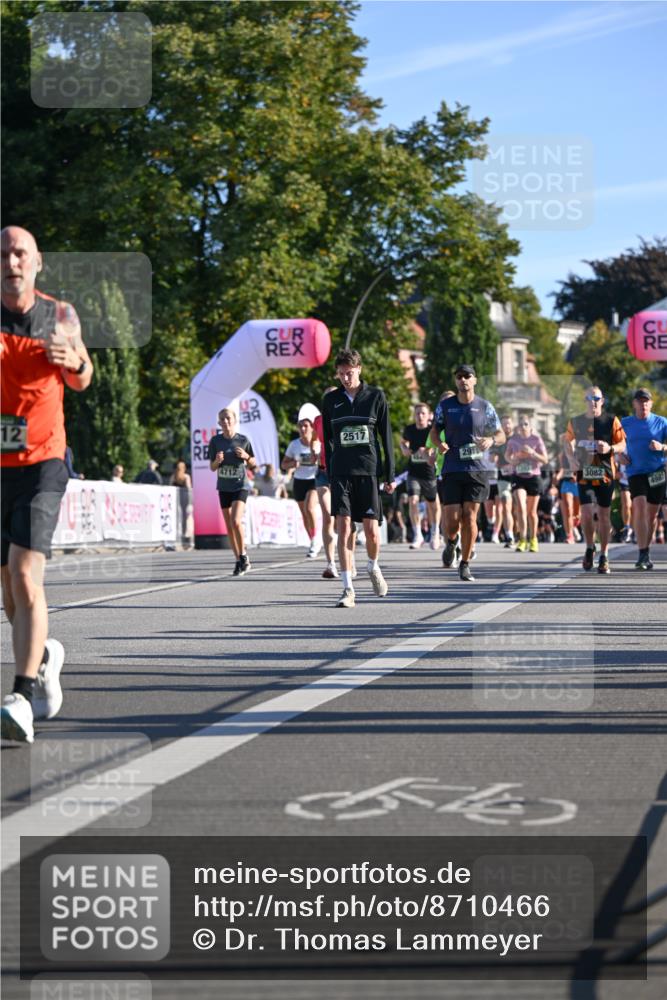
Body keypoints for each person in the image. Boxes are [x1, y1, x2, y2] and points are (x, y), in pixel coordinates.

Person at [1, 225, 93, 743]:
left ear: (37, 264)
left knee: (23, 572)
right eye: (3, 255)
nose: (11, 262)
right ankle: (44, 658)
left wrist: (73, 360)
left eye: (20, 254)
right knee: (10, 595)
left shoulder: (60, 315)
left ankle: (18, 697)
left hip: (44, 460)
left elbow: (85, 375)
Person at [321, 348, 395, 608]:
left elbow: (386, 437)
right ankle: (347, 589)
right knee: (343, 528)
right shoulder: (331, 401)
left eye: (349, 373)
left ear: (359, 370)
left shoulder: (376, 396)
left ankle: (373, 566)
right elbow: (327, 441)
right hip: (341, 472)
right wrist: (330, 472)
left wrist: (390, 474)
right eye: (341, 374)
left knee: (372, 532)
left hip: (369, 471)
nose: (345, 378)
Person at [431, 364, 505, 582]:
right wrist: (439, 443)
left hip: (477, 470)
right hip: (453, 468)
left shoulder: (485, 407)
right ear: (456, 381)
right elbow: (434, 431)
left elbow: (501, 434)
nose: (463, 380)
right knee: (452, 519)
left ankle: (465, 563)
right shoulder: (445, 406)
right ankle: (452, 542)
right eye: (459, 377)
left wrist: (492, 440)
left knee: (470, 516)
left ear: (475, 380)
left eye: (467, 376)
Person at [565, 385, 625, 574]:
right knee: (587, 513)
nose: (593, 402)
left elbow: (623, 443)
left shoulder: (611, 421)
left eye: (596, 399)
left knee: (604, 515)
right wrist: (572, 460)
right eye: (589, 399)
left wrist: (610, 449)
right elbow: (567, 441)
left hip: (606, 475)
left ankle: (604, 555)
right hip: (584, 476)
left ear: (602, 401)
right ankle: (590, 547)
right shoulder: (576, 421)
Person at [620, 388, 667, 570]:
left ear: (651, 403)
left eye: (646, 401)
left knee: (652, 515)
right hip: (635, 472)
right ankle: (641, 553)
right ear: (634, 404)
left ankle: (646, 552)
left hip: (656, 472)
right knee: (639, 506)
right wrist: (618, 457)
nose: (643, 404)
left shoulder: (662, 422)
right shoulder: (625, 423)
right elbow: (616, 445)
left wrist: (662, 447)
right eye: (640, 401)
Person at [208, 407, 257, 576]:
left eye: (228, 418)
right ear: (219, 423)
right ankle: (238, 560)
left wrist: (246, 456)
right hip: (223, 487)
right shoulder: (215, 441)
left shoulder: (243, 440)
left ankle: (243, 555)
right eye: (222, 419)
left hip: (240, 485)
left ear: (235, 421)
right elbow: (212, 468)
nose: (226, 421)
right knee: (229, 526)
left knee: (236, 521)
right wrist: (217, 461)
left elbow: (253, 464)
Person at [505, 416, 549, 552]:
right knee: (520, 507)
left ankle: (533, 539)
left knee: (531, 513)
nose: (523, 427)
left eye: (526, 424)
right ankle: (522, 539)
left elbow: (545, 459)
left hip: (533, 477)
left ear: (530, 426)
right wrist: (514, 459)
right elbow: (507, 456)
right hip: (518, 476)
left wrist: (532, 453)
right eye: (521, 424)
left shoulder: (536, 439)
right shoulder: (513, 440)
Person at [400, 403, 440, 551]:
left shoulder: (432, 431)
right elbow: (403, 442)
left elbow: (440, 448)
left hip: (429, 473)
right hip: (413, 472)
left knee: (432, 504)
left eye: (423, 413)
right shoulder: (409, 429)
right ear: (414, 415)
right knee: (413, 500)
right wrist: (404, 449)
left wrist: (430, 453)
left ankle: (435, 533)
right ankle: (418, 535)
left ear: (428, 415)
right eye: (417, 413)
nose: (420, 416)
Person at [282, 416, 322, 558]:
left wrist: (317, 457)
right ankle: (313, 541)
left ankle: (316, 538)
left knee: (309, 507)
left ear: (312, 427)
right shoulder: (294, 445)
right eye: (300, 426)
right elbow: (283, 464)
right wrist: (292, 464)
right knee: (304, 514)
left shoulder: (318, 443)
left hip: (314, 479)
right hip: (299, 480)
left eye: (306, 426)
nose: (303, 429)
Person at [314, 393, 341, 579]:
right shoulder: (318, 419)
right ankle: (331, 563)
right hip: (323, 472)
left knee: (343, 519)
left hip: (341, 473)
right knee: (328, 516)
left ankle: (349, 559)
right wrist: (314, 448)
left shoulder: (345, 417)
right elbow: (315, 439)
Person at [489, 414, 515, 547]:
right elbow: (491, 458)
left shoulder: (518, 439)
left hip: (519, 476)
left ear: (512, 424)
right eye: (504, 424)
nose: (507, 426)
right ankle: (509, 535)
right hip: (503, 476)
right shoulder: (499, 440)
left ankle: (525, 536)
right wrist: (493, 456)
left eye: (508, 423)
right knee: (505, 504)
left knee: (521, 508)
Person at [556, 433, 579, 543]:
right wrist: (558, 476)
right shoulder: (562, 455)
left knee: (577, 513)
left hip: (579, 484)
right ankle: (570, 535)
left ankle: (576, 522)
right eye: (565, 442)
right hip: (566, 483)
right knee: (568, 510)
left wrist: (577, 475)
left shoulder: (580, 453)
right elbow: (562, 468)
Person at [170, 459, 194, 549]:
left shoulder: (180, 477)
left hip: (181, 500)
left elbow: (188, 490)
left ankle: (182, 536)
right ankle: (181, 535)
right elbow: (188, 488)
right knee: (181, 518)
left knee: (181, 518)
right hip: (180, 500)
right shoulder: (180, 477)